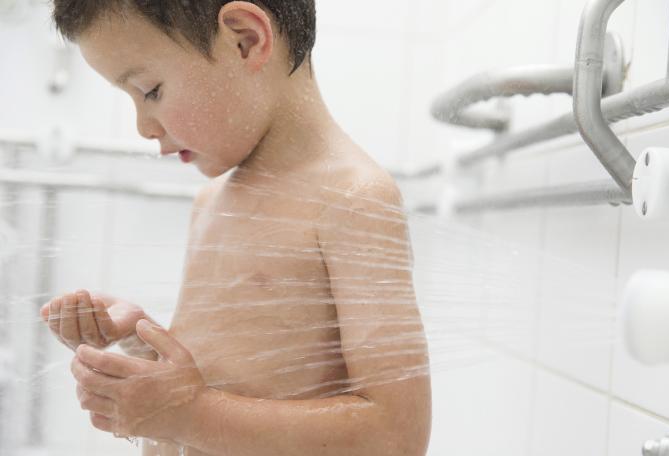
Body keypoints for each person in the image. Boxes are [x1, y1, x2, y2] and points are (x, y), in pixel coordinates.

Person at [39, 1, 432, 454]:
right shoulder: (211, 203)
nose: (143, 127)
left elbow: (396, 436)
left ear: (246, 40)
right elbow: (218, 379)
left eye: (150, 91)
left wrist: (191, 414)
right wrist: (139, 340)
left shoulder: (352, 198)